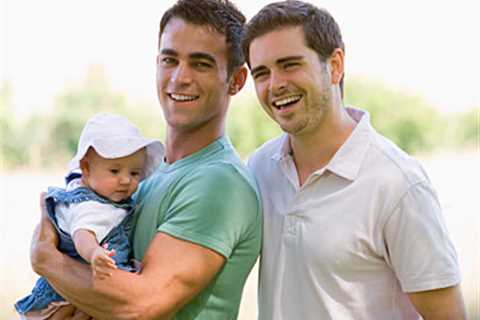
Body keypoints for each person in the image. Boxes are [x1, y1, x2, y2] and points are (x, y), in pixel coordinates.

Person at [29, 0, 262, 319]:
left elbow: (139, 304)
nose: (180, 77)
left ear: (236, 80)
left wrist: (46, 260)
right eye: (170, 59)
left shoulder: (219, 183)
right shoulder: (143, 176)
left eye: (201, 64)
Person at [243, 1, 466, 319]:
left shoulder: (398, 183)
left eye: (290, 64)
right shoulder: (260, 167)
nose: (275, 84)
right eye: (261, 73)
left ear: (335, 65)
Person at [16, 112, 163, 319]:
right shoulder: (91, 206)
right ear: (85, 167)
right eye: (114, 171)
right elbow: (82, 233)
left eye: (134, 173)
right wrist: (94, 252)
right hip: (64, 298)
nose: (125, 181)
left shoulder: (86, 192)